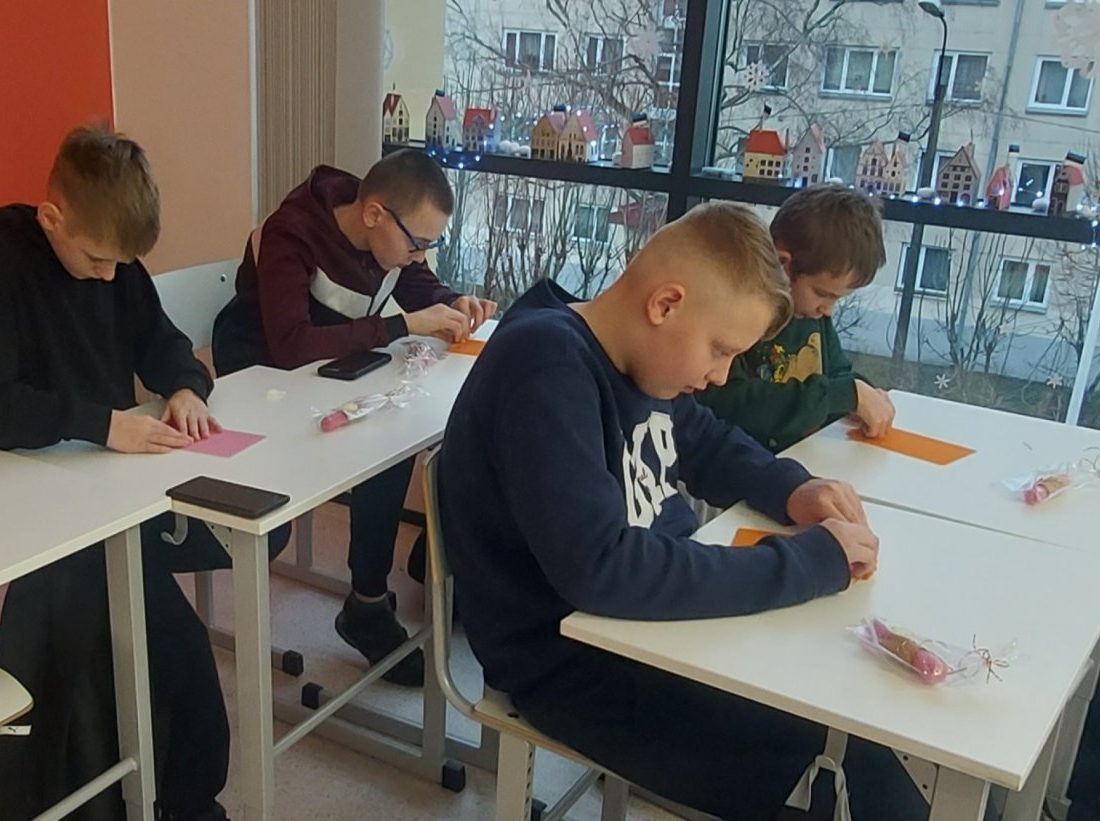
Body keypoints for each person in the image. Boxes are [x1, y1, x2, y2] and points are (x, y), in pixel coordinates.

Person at [438, 202, 927, 820]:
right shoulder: (545, 365)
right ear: (666, 305)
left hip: (655, 633)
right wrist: (807, 563)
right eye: (721, 350)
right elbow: (603, 569)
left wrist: (788, 486)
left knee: (866, 718)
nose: (722, 376)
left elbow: (700, 437)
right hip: (573, 663)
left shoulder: (633, 357)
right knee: (850, 774)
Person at [0, 125, 232, 821]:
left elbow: (162, 342)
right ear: (52, 218)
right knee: (88, 633)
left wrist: (186, 385)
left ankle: (179, 797)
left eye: (120, 264)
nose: (109, 276)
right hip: (27, 495)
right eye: (98, 259)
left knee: (170, 643)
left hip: (105, 497)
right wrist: (101, 423)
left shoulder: (115, 261)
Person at [213, 148, 495, 685]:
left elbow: (417, 285)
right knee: (381, 444)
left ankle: (370, 598)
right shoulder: (292, 233)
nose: (420, 256)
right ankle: (368, 604)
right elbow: (291, 345)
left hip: (326, 375)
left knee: (393, 434)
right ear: (374, 214)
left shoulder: (387, 238)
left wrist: (454, 301)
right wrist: (402, 326)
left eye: (430, 245)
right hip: (261, 382)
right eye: (418, 243)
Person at [696, 184, 895, 452]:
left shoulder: (811, 313)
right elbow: (732, 402)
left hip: (803, 457)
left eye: (837, 299)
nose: (828, 310)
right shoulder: (742, 315)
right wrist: (847, 394)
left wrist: (865, 393)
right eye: (822, 294)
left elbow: (837, 374)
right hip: (742, 462)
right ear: (784, 265)